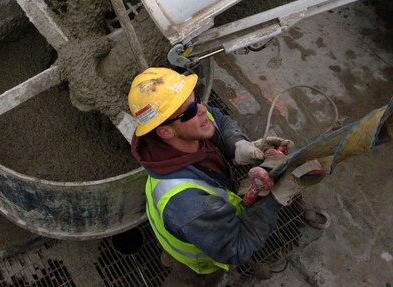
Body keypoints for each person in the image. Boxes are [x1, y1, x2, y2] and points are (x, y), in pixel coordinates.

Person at [127, 67, 305, 286]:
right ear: (165, 132)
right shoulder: (190, 206)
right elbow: (237, 248)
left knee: (173, 251)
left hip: (181, 231)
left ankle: (168, 258)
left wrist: (236, 144)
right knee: (189, 278)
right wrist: (274, 200)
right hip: (197, 264)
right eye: (190, 110)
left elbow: (217, 118)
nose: (201, 109)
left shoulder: (177, 132)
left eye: (197, 99)